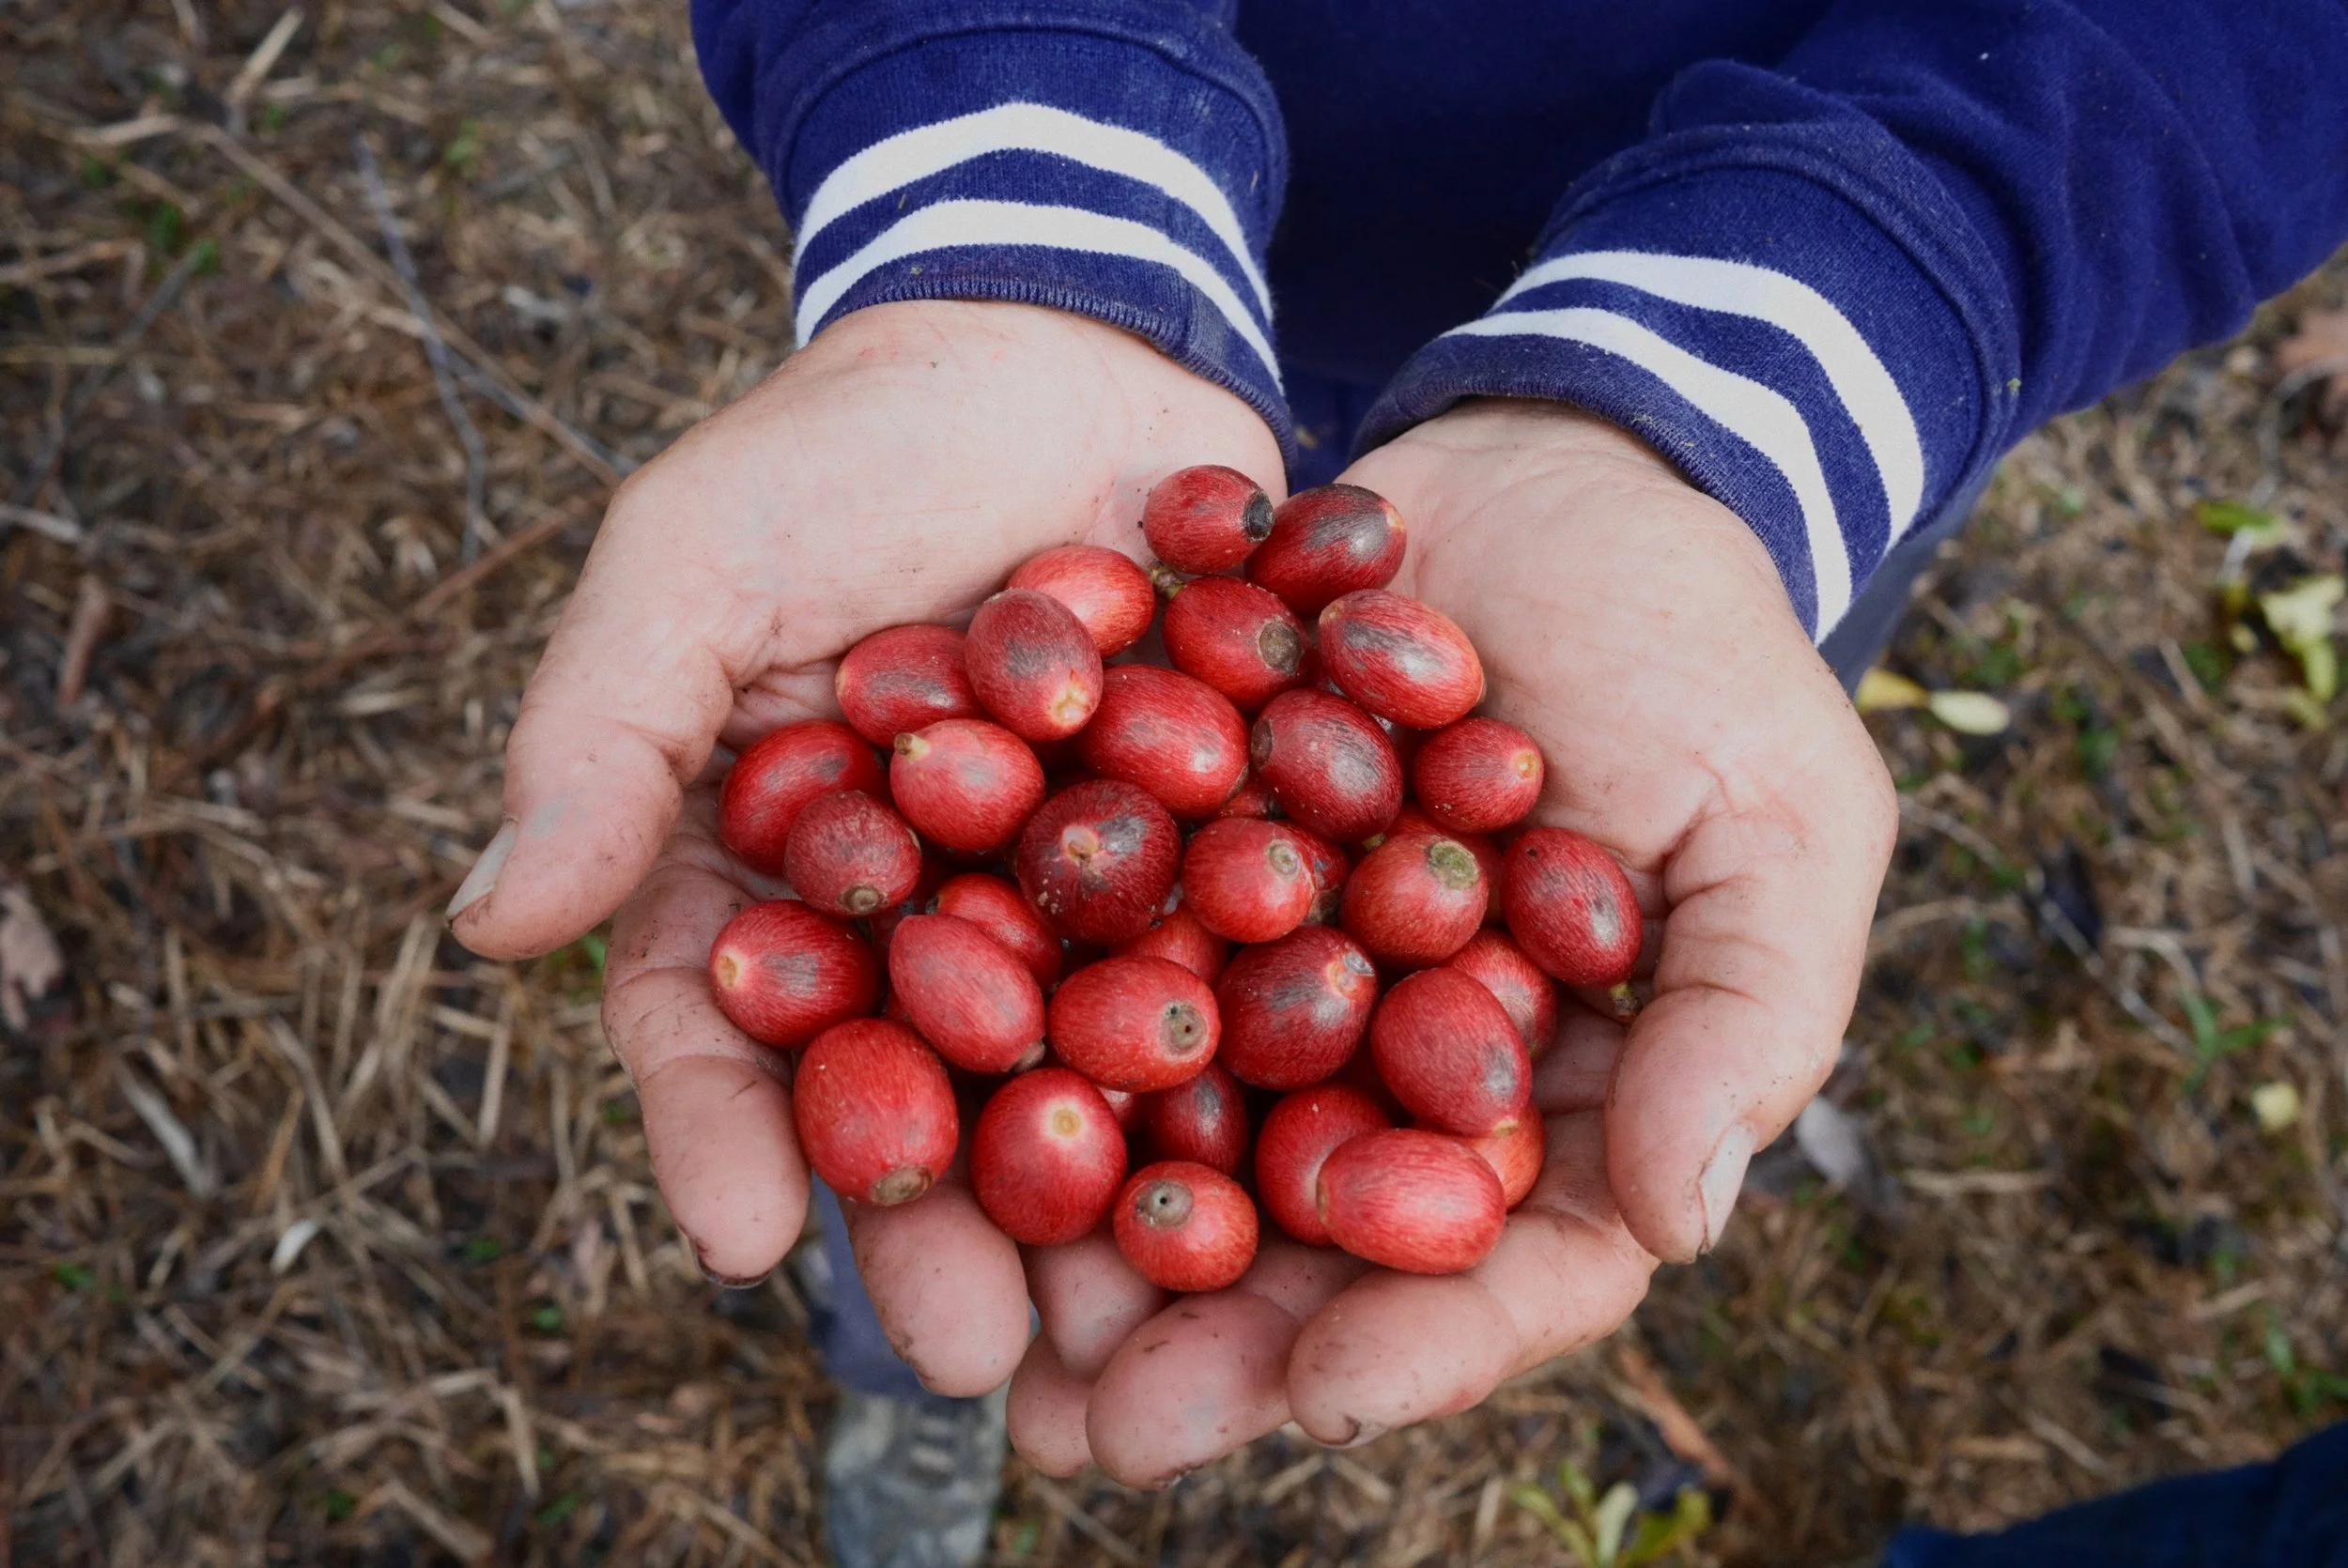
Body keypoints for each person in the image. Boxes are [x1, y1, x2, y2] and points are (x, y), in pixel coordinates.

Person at [442, 2, 2348, 1562]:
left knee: (1598, 808)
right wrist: (1018, 168)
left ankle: (946, 1330)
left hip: (1705, 456)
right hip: (1117, 241)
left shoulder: (1402, 800)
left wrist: (1791, 345)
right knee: (911, 1191)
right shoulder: (1073, 791)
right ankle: (906, 1368)